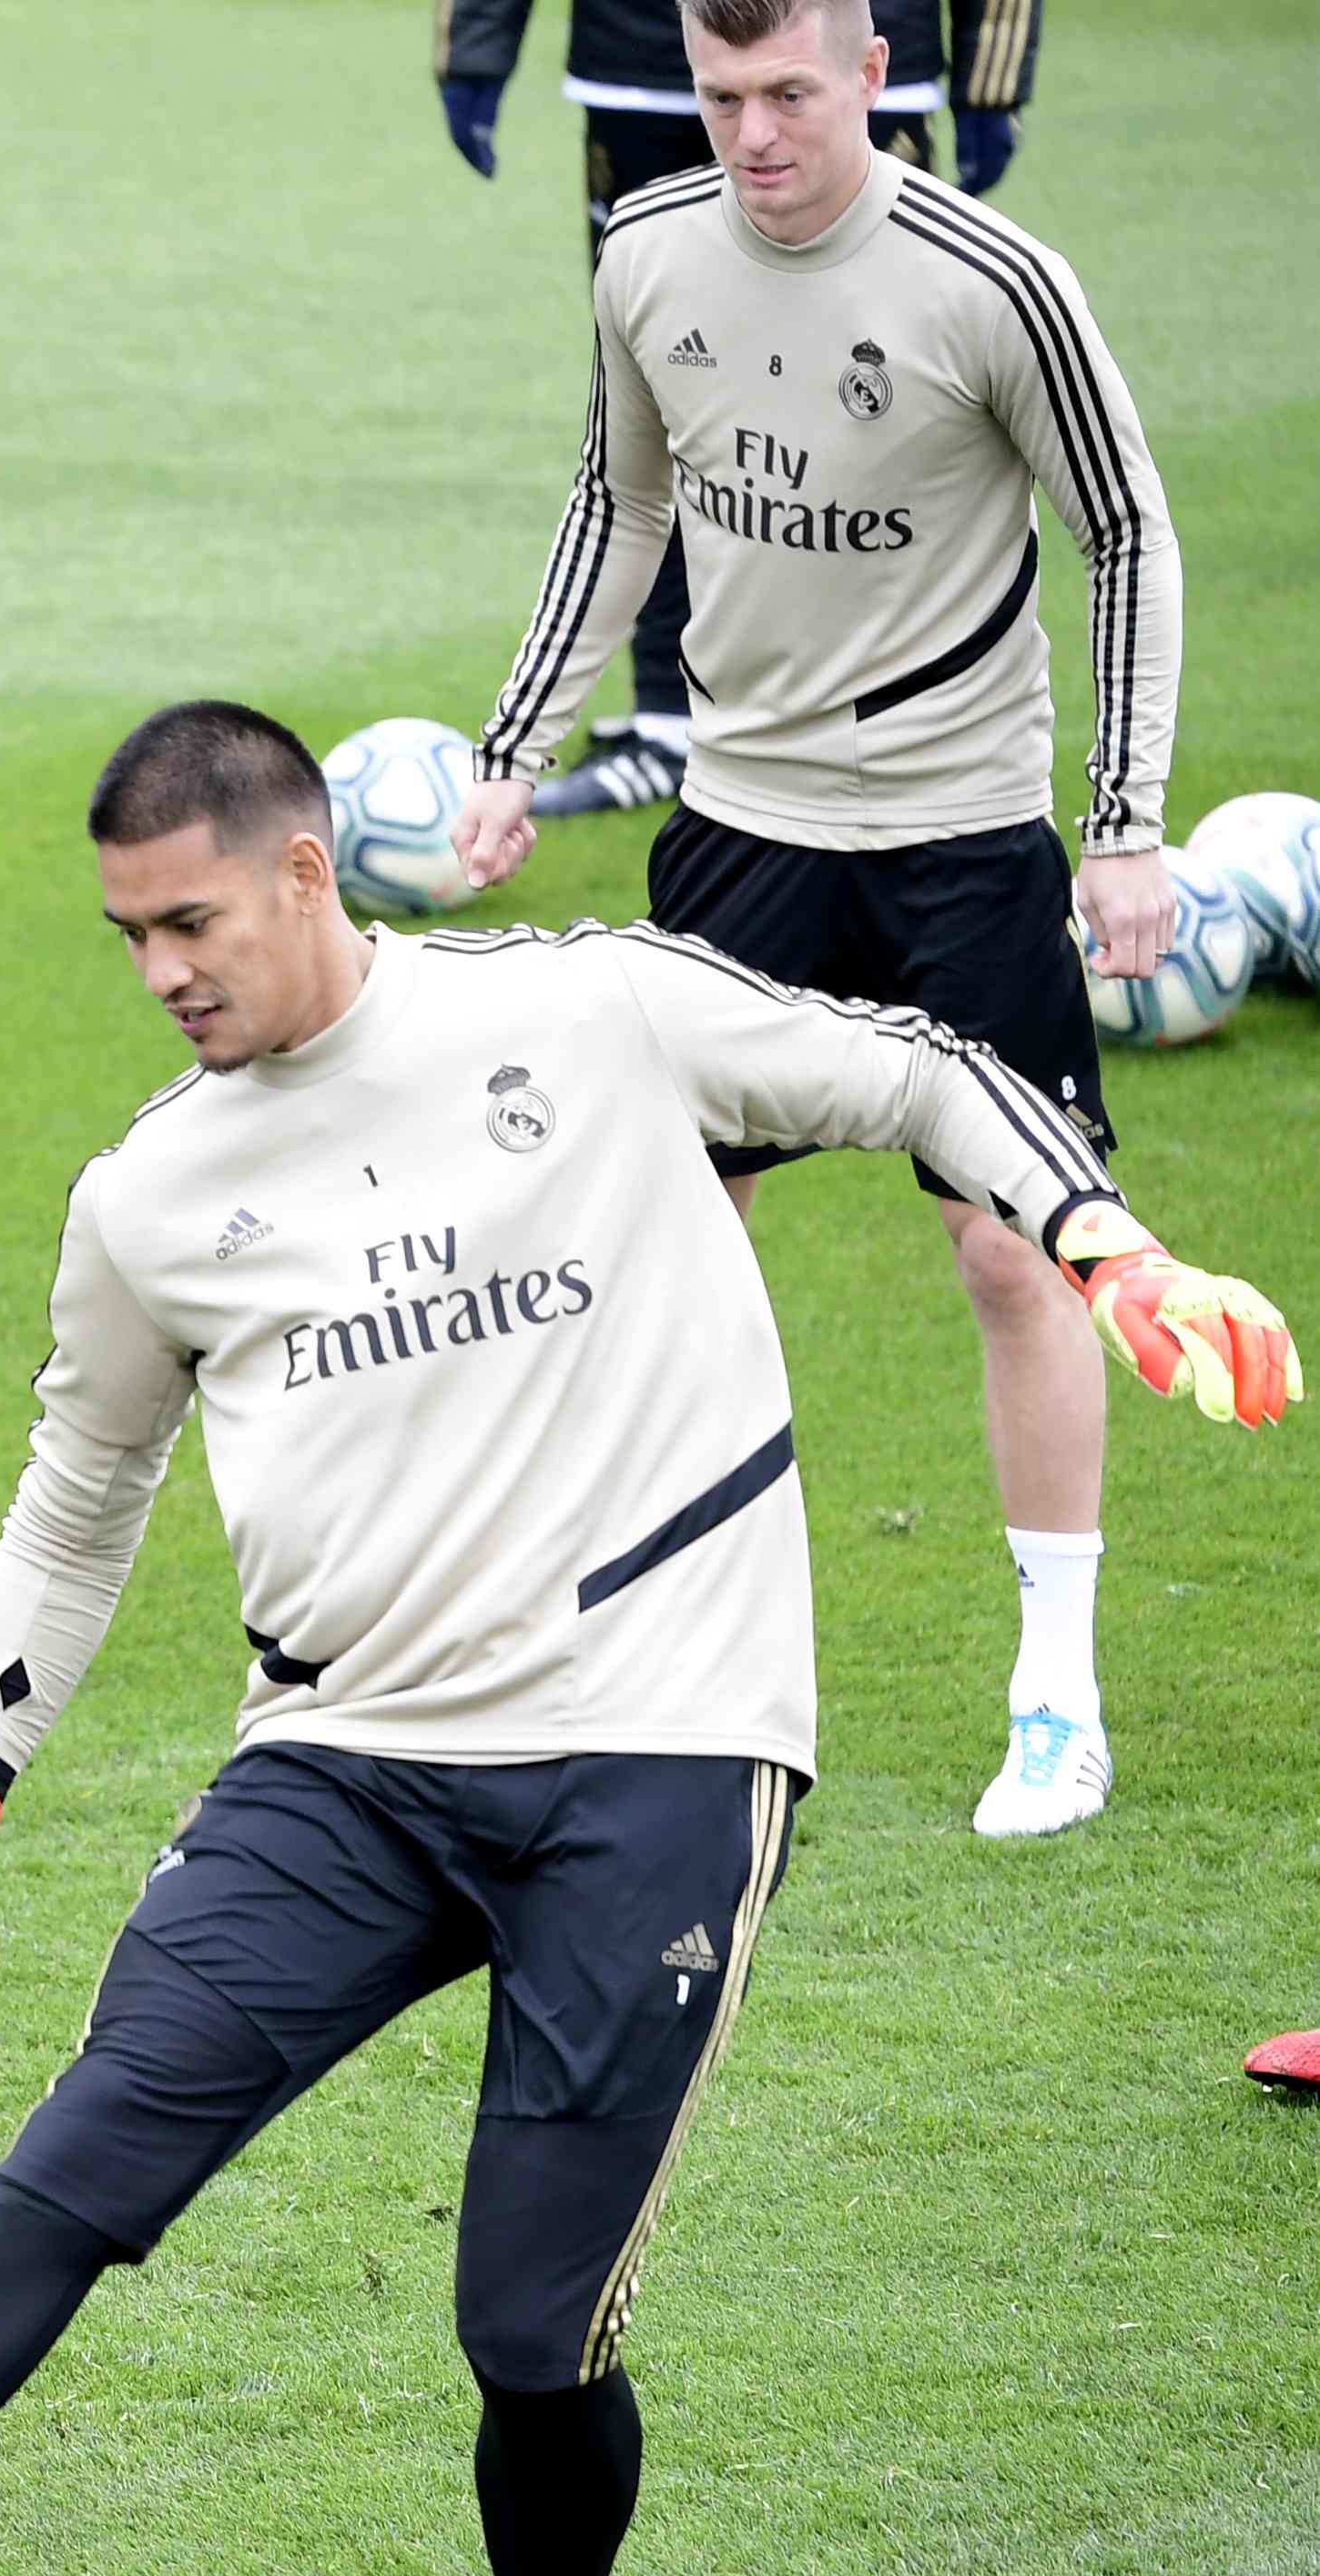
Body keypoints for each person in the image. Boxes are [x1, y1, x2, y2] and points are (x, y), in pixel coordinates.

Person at [0, 701, 1286, 2576]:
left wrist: (1103, 1246)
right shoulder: (150, 1194)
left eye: (186, 919)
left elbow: (910, 1065)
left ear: (305, 868)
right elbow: (74, 1501)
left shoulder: (595, 1014)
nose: (155, 967)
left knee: (526, 2323)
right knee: (84, 2153)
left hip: (659, 1739)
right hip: (340, 1763)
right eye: (124, 933)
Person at [452, 0, 1176, 1838]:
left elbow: (1124, 530)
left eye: (787, 93)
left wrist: (1120, 823)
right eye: (718, 96)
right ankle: (649, 1658)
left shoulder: (990, 278)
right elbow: (616, 502)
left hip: (957, 842)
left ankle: (1055, 1695)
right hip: (737, 833)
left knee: (1020, 1257)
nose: (753, 134)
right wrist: (514, 742)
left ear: (870, 72)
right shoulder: (643, 252)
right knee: (664, 1245)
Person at [435, 1, 1040, 818]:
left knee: (873, 423)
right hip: (645, 59)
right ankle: (665, 719)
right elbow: (624, 495)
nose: (753, 133)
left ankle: (876, 721)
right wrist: (475, 42)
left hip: (839, 60)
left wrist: (991, 74)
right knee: (673, 406)